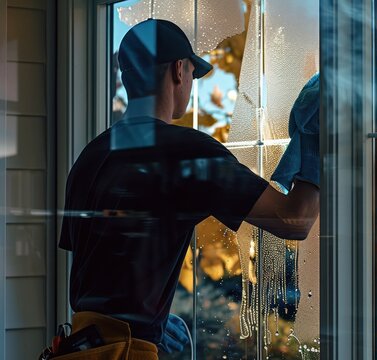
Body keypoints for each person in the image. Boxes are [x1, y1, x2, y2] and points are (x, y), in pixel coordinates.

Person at [45, 19, 319, 359]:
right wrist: (314, 136)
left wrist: (152, 321)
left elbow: (104, 267)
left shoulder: (91, 156)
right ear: (178, 70)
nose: (190, 82)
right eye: (192, 72)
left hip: (82, 348)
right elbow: (294, 219)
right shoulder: (186, 151)